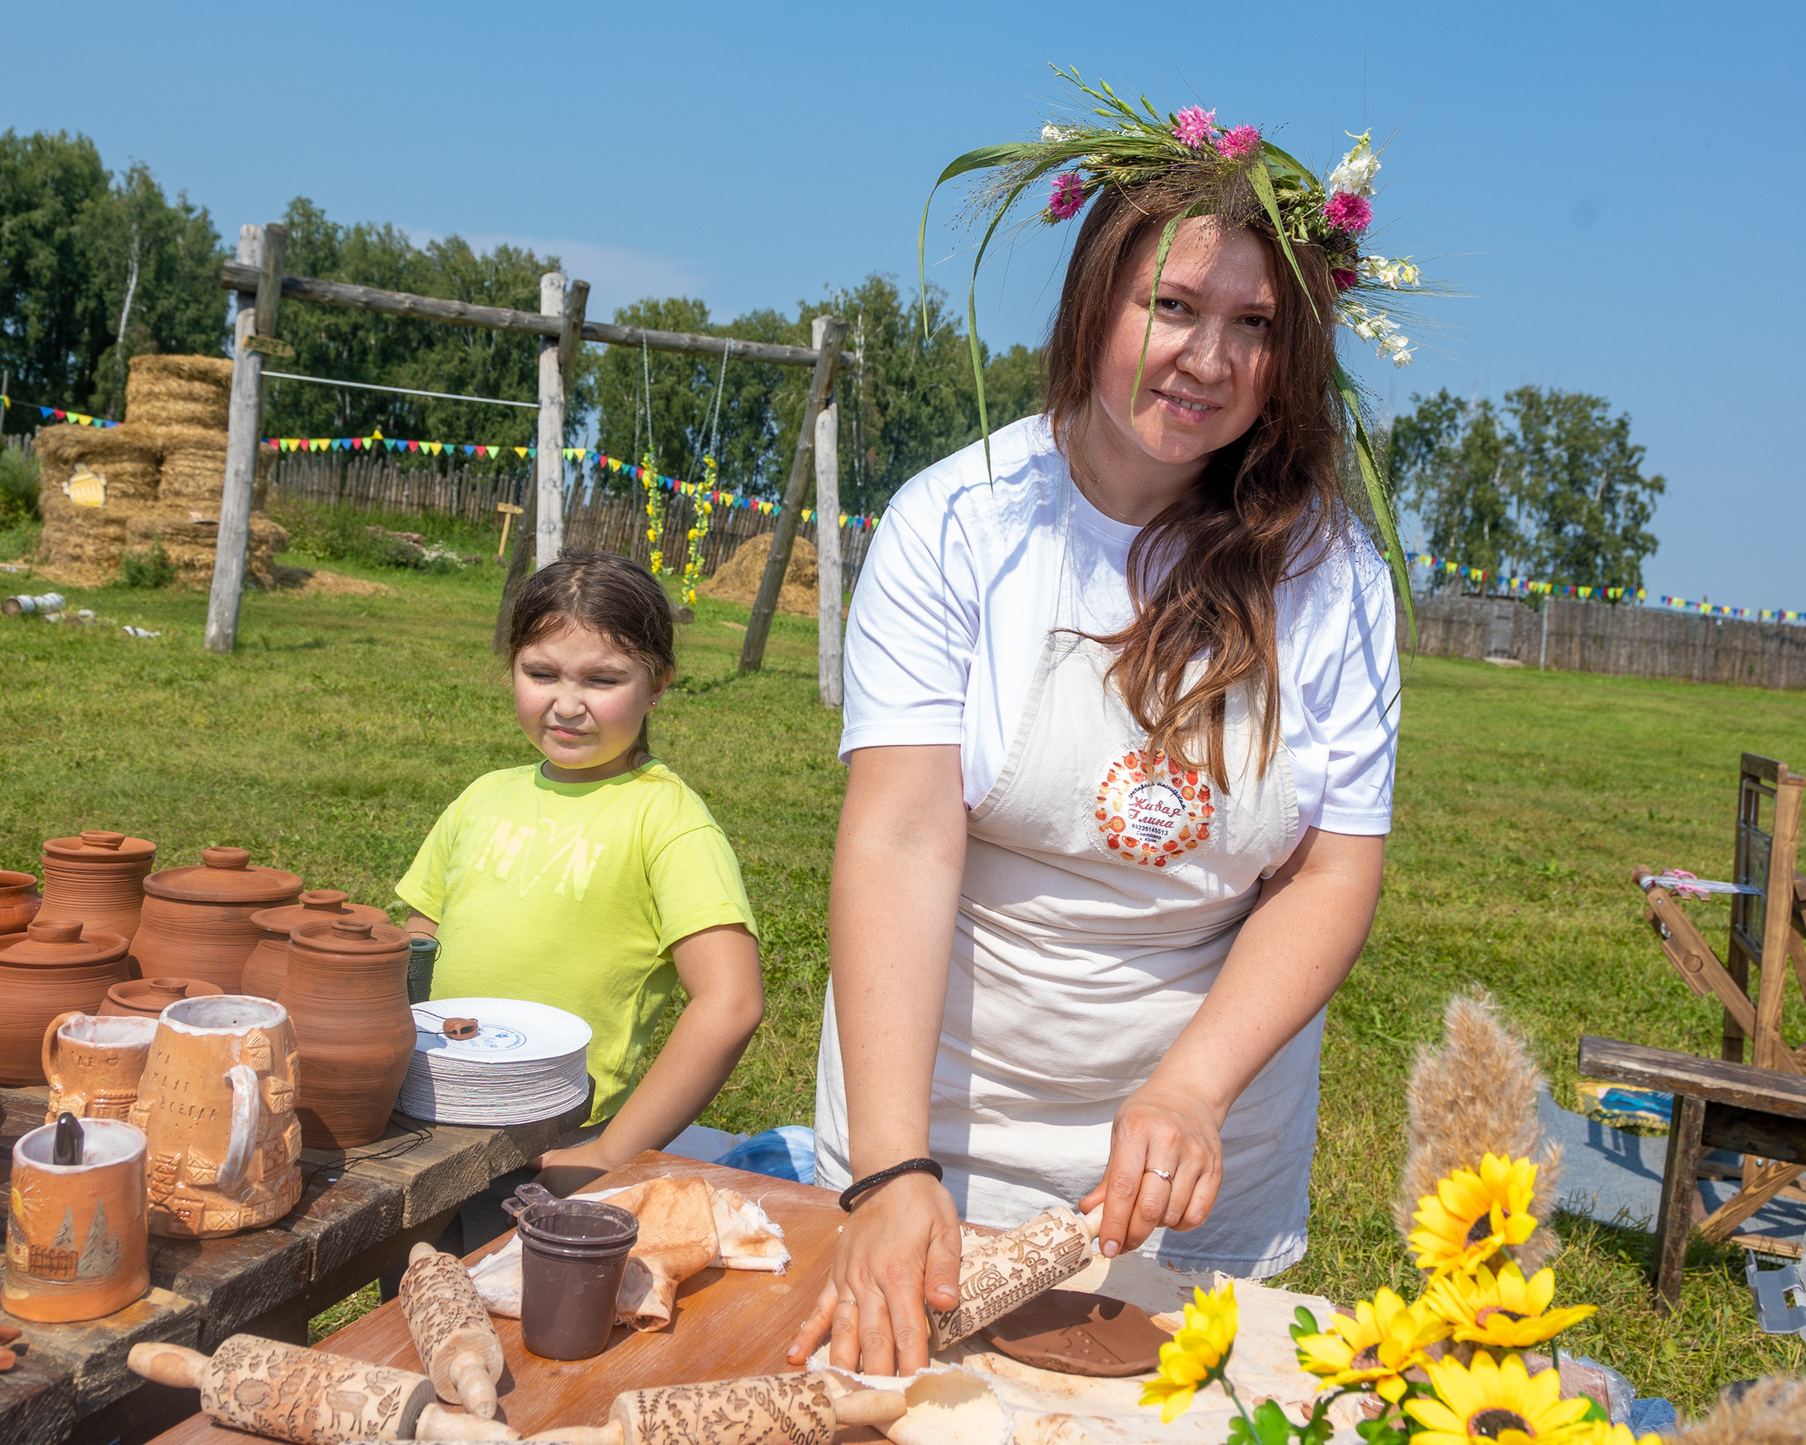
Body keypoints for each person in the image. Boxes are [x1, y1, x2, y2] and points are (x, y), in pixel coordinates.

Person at [791, 81, 1408, 1375]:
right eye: (1173, 305)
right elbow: (900, 839)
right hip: (946, 1124)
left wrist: (1192, 1084)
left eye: (1253, 325)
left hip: (1187, 1163)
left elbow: (1329, 864)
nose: (1208, 356)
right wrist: (896, 1163)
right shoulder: (958, 524)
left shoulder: (1330, 573)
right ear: (1096, 303)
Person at [399, 553, 765, 1194]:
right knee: (410, 1287)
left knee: (507, 1291)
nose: (567, 705)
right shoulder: (482, 796)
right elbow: (418, 941)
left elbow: (730, 1002)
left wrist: (608, 1153)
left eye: (602, 680)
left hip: (559, 1143)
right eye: (540, 673)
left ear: (658, 685)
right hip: (428, 1116)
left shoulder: (668, 821)